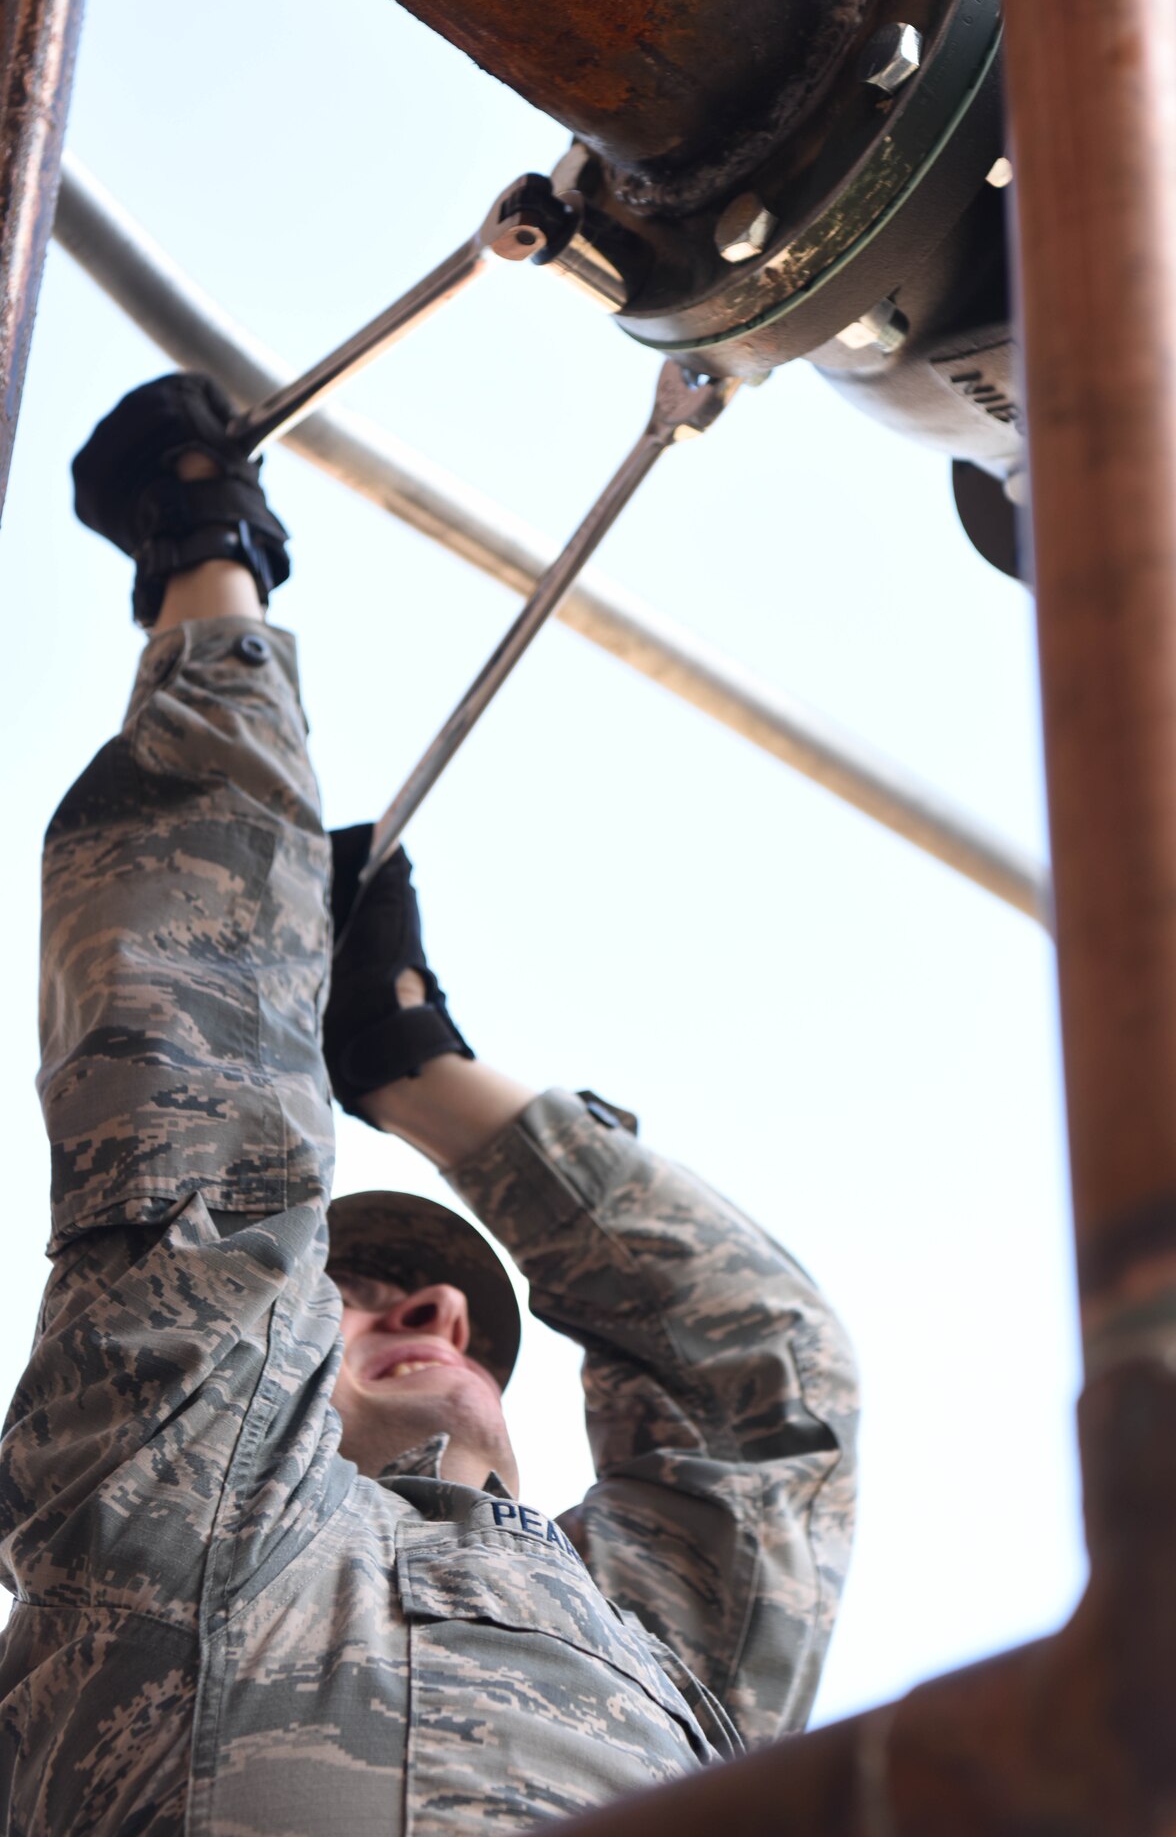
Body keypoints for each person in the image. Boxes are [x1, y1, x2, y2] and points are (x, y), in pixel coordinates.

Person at [0, 377, 859, 1836]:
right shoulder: (182, 1500)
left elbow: (758, 1370)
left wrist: (416, 1067)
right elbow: (200, 1115)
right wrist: (207, 562)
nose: (431, 1309)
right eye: (351, 1285)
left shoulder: (667, 1658)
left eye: (438, 1295)